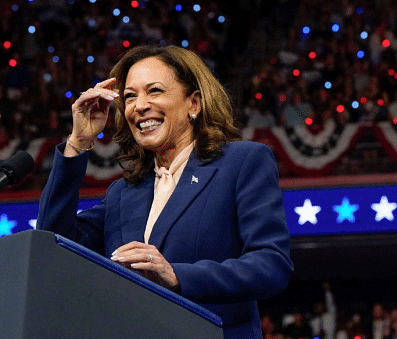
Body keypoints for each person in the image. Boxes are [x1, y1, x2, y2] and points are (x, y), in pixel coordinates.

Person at [37, 45, 294, 339]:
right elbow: (52, 244)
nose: (139, 105)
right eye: (130, 96)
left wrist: (177, 276)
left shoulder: (241, 162)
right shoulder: (123, 193)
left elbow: (271, 265)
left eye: (154, 91)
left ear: (194, 103)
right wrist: (78, 142)